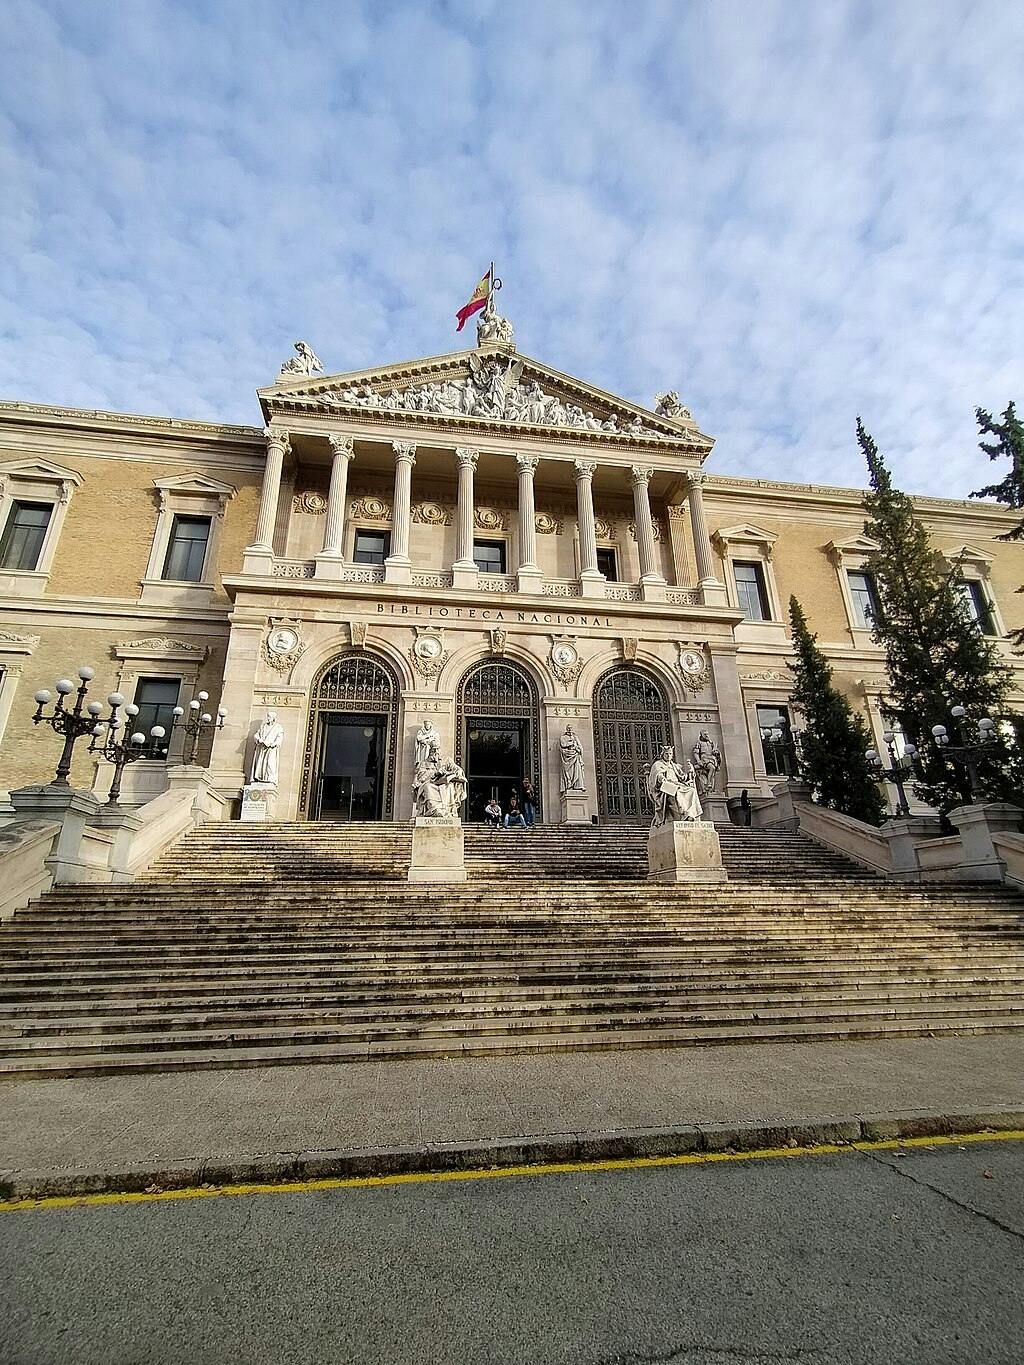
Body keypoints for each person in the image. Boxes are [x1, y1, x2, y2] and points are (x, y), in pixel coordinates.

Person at [646, 745, 703, 826]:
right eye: (666, 754)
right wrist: (662, 779)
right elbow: (657, 775)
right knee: (677, 791)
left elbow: (683, 777)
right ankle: (683, 813)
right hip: (664, 786)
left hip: (677, 784)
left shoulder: (675, 766)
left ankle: (691, 813)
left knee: (692, 790)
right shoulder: (658, 764)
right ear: (663, 755)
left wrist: (690, 772)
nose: (668, 755)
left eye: (670, 754)